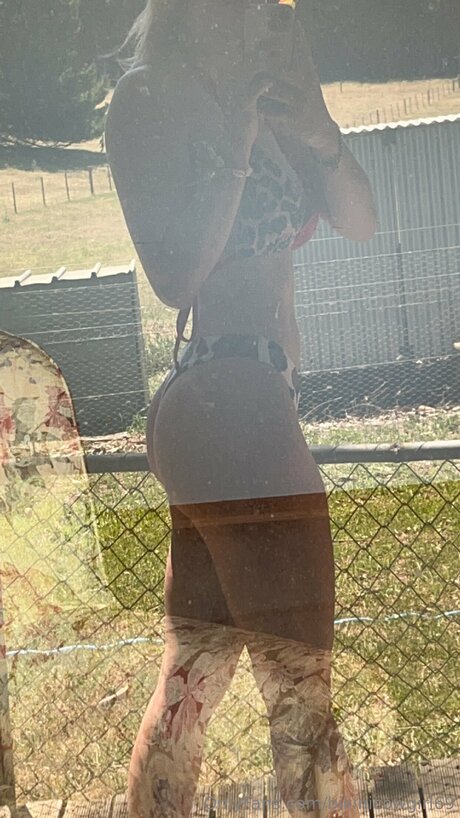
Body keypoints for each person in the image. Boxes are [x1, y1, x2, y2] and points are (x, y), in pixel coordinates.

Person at [104, 1, 377, 817]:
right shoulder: (148, 98)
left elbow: (361, 222)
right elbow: (174, 278)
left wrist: (318, 131)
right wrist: (236, 143)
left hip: (241, 408)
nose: (255, 12)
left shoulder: (266, 95)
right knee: (302, 698)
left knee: (192, 682)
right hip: (230, 399)